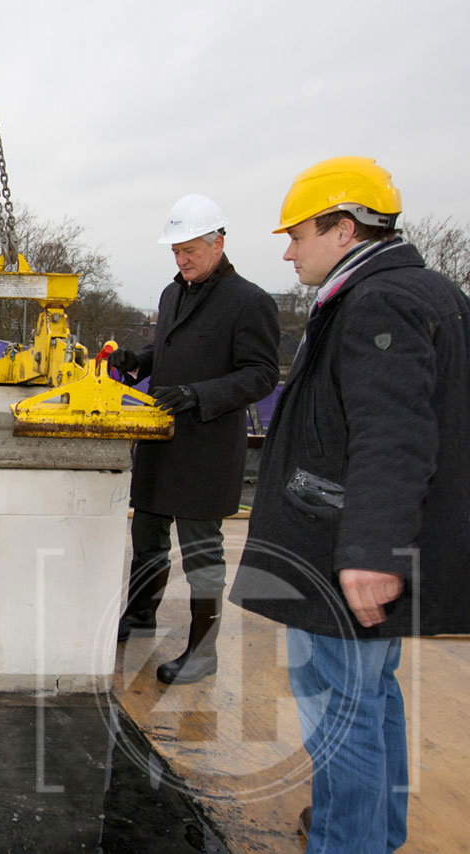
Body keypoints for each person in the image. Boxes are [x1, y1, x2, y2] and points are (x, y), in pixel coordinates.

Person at [230, 157, 470, 851]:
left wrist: (370, 552)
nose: (287, 249)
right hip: (365, 539)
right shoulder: (426, 292)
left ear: (343, 228)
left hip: (339, 549)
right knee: (369, 699)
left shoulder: (377, 304)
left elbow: (394, 433)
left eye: (298, 233)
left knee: (342, 711)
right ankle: (370, 830)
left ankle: (349, 841)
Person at [106, 193, 279, 685]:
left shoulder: (250, 302)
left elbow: (261, 374)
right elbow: (170, 348)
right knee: (147, 539)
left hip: (204, 446)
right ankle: (140, 618)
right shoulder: (172, 292)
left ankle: (202, 654)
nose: (182, 260)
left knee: (202, 553)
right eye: (176, 252)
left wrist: (198, 395)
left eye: (191, 251)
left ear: (218, 243)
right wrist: (139, 360)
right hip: (161, 441)